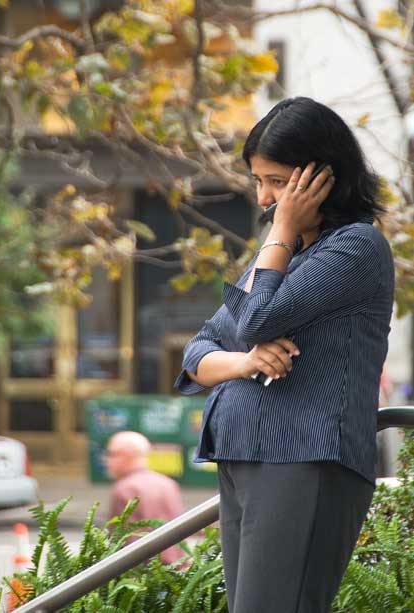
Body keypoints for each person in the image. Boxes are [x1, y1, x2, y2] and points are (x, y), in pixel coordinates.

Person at [174, 96, 395, 613]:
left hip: (304, 459)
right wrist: (249, 361)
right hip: (245, 457)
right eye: (258, 181)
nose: (266, 199)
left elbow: (254, 321)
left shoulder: (355, 248)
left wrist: (279, 234)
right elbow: (196, 354)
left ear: (322, 176)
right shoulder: (282, 254)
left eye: (277, 181)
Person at [105, 430, 184, 565]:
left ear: (126, 455)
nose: (106, 460)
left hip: (143, 573)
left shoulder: (125, 489)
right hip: (176, 569)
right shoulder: (167, 484)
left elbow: (122, 542)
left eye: (111, 454)